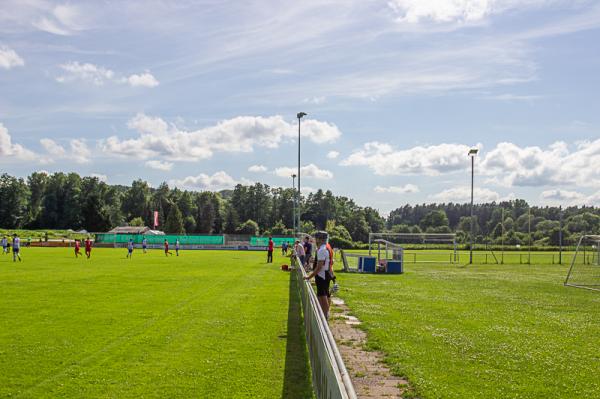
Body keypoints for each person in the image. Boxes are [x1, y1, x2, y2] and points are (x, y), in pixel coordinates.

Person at [304, 231, 331, 319]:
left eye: (316, 238)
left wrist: (309, 276)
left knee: (322, 296)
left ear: (320, 239)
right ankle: (323, 314)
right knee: (325, 294)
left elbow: (319, 267)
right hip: (325, 274)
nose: (315, 240)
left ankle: (325, 316)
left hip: (321, 275)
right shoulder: (324, 248)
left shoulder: (322, 250)